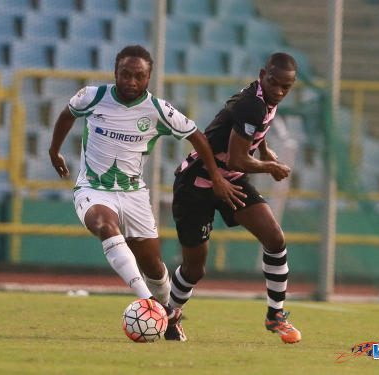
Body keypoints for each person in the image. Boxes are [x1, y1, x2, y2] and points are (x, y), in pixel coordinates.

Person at [48, 45, 245, 340]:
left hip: (134, 195)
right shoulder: (93, 97)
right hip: (93, 188)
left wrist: (216, 176)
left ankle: (168, 312)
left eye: (138, 76)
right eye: (125, 74)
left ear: (148, 77)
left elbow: (197, 136)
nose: (130, 81)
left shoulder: (158, 110)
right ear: (116, 72)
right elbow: (67, 115)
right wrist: (54, 151)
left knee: (154, 268)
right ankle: (152, 305)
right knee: (105, 226)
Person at [168, 52, 301, 343]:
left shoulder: (262, 98)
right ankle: (170, 315)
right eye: (274, 83)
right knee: (195, 268)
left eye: (286, 88)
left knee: (275, 238)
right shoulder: (251, 103)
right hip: (197, 183)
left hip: (230, 180)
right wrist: (270, 166)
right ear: (262, 73)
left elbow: (251, 131)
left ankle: (275, 315)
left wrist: (264, 149)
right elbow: (240, 159)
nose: (279, 92)